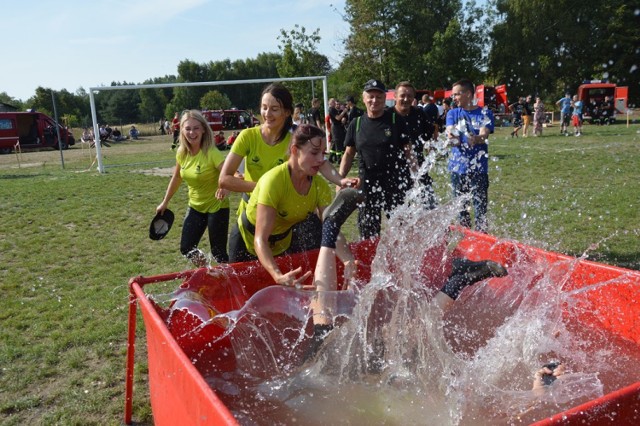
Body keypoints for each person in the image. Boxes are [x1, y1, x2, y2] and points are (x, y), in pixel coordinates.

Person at [219, 83, 356, 263]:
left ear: (287, 112)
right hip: (251, 219)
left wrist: (340, 180)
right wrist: (265, 190)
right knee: (239, 280)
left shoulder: (296, 136)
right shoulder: (247, 136)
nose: (267, 114)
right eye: (264, 108)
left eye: (274, 109)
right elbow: (224, 179)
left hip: (285, 226)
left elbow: (319, 160)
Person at [232, 124, 356, 286]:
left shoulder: (319, 186)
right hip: (246, 242)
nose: (321, 160)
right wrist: (277, 275)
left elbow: (330, 227)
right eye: (314, 153)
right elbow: (260, 239)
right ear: (295, 151)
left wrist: (348, 260)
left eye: (323, 154)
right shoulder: (274, 181)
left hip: (282, 243)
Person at [338, 79, 418, 240]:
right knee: (368, 234)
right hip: (367, 187)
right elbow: (348, 154)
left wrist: (417, 177)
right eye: (371, 96)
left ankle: (400, 263)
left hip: (394, 185)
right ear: (364, 98)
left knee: (402, 232)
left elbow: (409, 152)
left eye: (379, 97)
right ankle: (370, 263)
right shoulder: (357, 123)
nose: (374, 100)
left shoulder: (395, 120)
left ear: (385, 98)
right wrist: (339, 180)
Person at [156, 110, 230, 266]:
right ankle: (208, 271)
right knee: (187, 248)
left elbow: (229, 174)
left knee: (219, 253)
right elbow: (176, 178)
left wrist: (224, 187)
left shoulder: (212, 152)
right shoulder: (182, 153)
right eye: (188, 128)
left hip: (217, 207)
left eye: (196, 128)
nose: (192, 132)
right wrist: (165, 202)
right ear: (182, 130)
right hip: (195, 206)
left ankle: (231, 283)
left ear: (203, 129)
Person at [446, 78, 495, 233]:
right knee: (461, 212)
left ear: (468, 94)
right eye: (453, 95)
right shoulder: (453, 113)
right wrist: (456, 138)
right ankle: (465, 245)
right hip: (457, 170)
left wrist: (477, 139)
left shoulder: (484, 113)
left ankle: (482, 244)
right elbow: (451, 134)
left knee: (480, 211)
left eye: (456, 95)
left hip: (478, 170)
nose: (453, 98)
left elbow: (484, 134)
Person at [392, 81, 436, 209]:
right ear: (395, 96)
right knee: (400, 213)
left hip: (418, 168)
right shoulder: (387, 115)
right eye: (402, 95)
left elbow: (431, 131)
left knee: (429, 208)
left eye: (409, 96)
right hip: (394, 171)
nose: (406, 99)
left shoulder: (419, 114)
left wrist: (432, 147)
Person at [328, 98, 348, 163]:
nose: (335, 103)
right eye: (333, 102)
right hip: (336, 127)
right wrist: (344, 111)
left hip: (337, 126)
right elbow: (338, 118)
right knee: (338, 142)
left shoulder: (333, 109)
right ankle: (339, 159)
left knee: (334, 143)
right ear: (330, 103)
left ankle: (331, 157)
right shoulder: (332, 109)